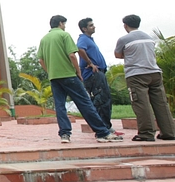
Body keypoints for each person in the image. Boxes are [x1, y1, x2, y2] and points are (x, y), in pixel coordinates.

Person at [38, 15, 123, 144]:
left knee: (60, 106)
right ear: (60, 23)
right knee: (85, 103)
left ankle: (65, 134)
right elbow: (72, 54)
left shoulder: (44, 39)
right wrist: (78, 72)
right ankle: (102, 132)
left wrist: (50, 71)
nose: (64, 26)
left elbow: (40, 60)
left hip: (54, 77)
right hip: (69, 75)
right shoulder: (64, 35)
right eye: (64, 24)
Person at [114, 14, 175, 141]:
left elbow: (118, 55)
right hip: (155, 73)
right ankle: (169, 132)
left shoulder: (124, 39)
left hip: (136, 75)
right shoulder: (149, 38)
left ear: (125, 25)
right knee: (161, 103)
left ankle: (146, 133)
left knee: (141, 103)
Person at [77, 18, 119, 135]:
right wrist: (90, 63)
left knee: (104, 99)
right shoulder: (83, 39)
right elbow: (80, 49)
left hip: (98, 72)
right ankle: (103, 128)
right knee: (101, 100)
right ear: (84, 28)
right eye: (90, 26)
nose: (93, 27)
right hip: (93, 74)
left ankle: (105, 125)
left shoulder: (89, 40)